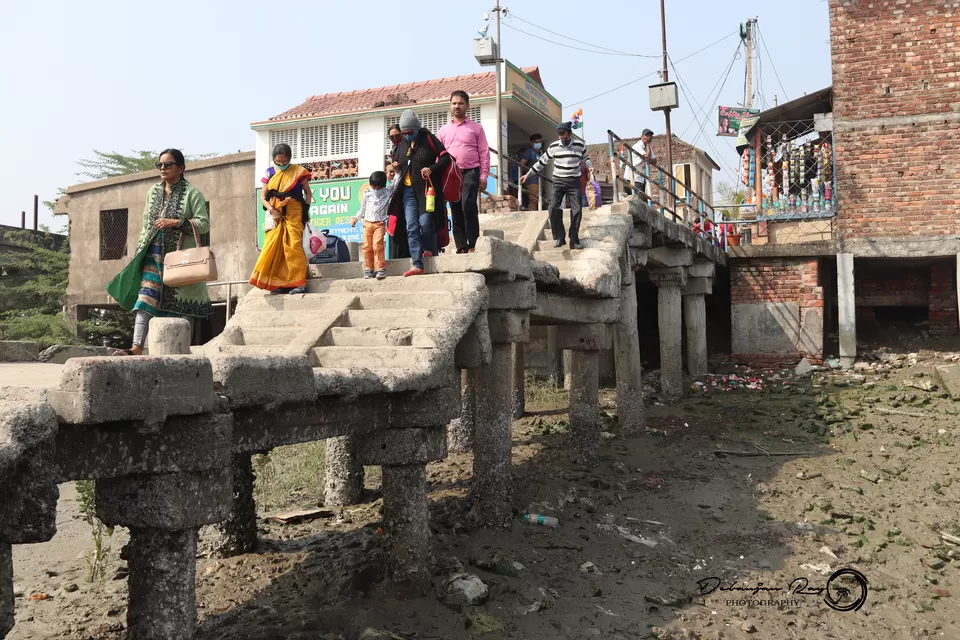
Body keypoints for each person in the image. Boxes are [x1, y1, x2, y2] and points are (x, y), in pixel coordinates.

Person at [106, 149, 212, 355]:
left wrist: (176, 223)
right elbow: (146, 224)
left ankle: (180, 351)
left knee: (181, 304)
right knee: (145, 298)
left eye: (168, 164)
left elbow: (204, 224)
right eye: (160, 165)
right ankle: (136, 347)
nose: (162, 168)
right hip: (152, 256)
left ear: (181, 168)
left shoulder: (192, 193)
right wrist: (139, 250)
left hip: (180, 260)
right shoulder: (152, 192)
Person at [386, 109, 451, 276]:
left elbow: (445, 158)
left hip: (426, 190)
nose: (407, 135)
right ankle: (417, 263)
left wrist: (431, 168)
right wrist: (394, 167)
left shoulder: (428, 139)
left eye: (410, 132)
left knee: (425, 222)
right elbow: (398, 164)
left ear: (417, 128)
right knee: (411, 226)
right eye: (404, 132)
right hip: (407, 192)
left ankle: (428, 248)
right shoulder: (401, 146)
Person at [249, 143, 313, 294]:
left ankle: (299, 283)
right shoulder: (269, 173)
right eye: (278, 162)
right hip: (276, 214)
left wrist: (305, 210)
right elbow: (263, 197)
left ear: (289, 159)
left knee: (294, 246)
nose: (282, 164)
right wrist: (272, 210)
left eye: (285, 162)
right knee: (275, 247)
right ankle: (280, 284)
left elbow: (308, 194)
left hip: (294, 212)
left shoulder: (298, 171)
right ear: (274, 160)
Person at [521, 122, 594, 250]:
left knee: (577, 210)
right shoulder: (554, 146)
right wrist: (528, 174)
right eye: (561, 139)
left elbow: (585, 158)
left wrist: (590, 166)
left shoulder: (579, 145)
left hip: (573, 181)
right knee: (553, 208)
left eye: (566, 139)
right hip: (559, 181)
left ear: (570, 135)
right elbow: (541, 162)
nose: (563, 141)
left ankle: (574, 239)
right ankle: (559, 237)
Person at [437, 90, 489, 253]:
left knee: (468, 205)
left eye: (460, 103)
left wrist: (483, 176)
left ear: (467, 105)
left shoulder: (476, 128)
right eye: (454, 103)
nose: (457, 106)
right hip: (451, 175)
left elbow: (484, 152)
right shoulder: (443, 130)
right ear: (450, 106)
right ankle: (461, 246)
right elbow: (438, 155)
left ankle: (473, 243)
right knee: (456, 208)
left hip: (471, 172)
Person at [351, 170, 397, 280]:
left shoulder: (387, 192)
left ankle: (380, 269)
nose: (376, 190)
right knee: (367, 247)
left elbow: (396, 183)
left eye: (378, 188)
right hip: (367, 224)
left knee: (377, 245)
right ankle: (369, 269)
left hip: (380, 224)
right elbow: (362, 209)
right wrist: (356, 218)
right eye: (374, 187)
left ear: (383, 186)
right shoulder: (367, 194)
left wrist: (397, 172)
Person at [520, 133, 543, 210]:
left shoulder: (539, 154)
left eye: (540, 142)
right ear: (532, 143)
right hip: (531, 180)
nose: (538, 144)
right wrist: (527, 173)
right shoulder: (529, 151)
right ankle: (532, 215)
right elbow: (521, 164)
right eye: (536, 142)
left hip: (538, 180)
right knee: (534, 199)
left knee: (537, 199)